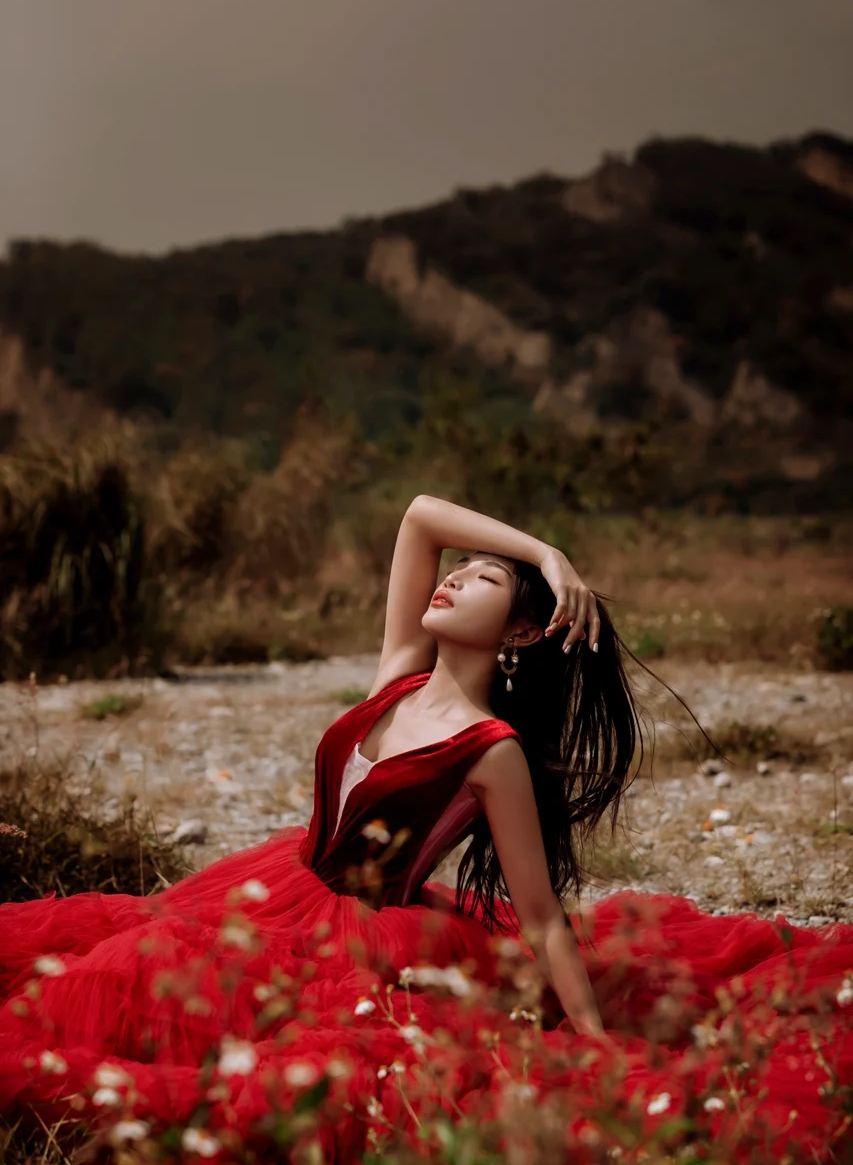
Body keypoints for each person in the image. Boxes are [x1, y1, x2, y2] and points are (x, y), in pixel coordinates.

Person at [0, 494, 851, 1162]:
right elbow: (419, 517)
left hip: (358, 939)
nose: (450, 580)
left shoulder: (492, 749)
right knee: (99, 966)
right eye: (459, 572)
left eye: (481, 582)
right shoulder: (400, 673)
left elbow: (542, 917)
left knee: (192, 1026)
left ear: (522, 631)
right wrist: (543, 553)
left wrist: (591, 1044)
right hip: (273, 888)